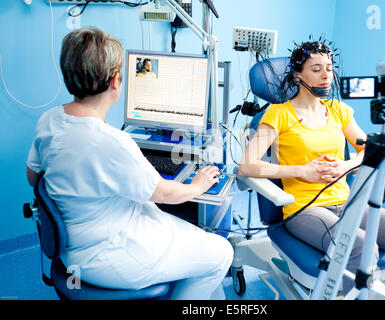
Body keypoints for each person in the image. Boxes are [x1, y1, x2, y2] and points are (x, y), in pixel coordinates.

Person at [26, 27, 233, 300]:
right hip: (108, 256)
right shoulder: (112, 143)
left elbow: (34, 178)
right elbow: (165, 194)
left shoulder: (49, 120)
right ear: (115, 82)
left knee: (195, 239)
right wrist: (198, 184)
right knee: (221, 253)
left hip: (72, 247)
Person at [238, 40, 385, 300]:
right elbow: (247, 165)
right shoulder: (278, 113)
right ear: (298, 75)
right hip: (305, 209)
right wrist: (303, 171)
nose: (325, 75)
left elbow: (367, 149)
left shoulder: (338, 110)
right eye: (316, 68)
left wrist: (347, 164)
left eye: (329, 68)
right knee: (363, 247)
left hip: (347, 203)